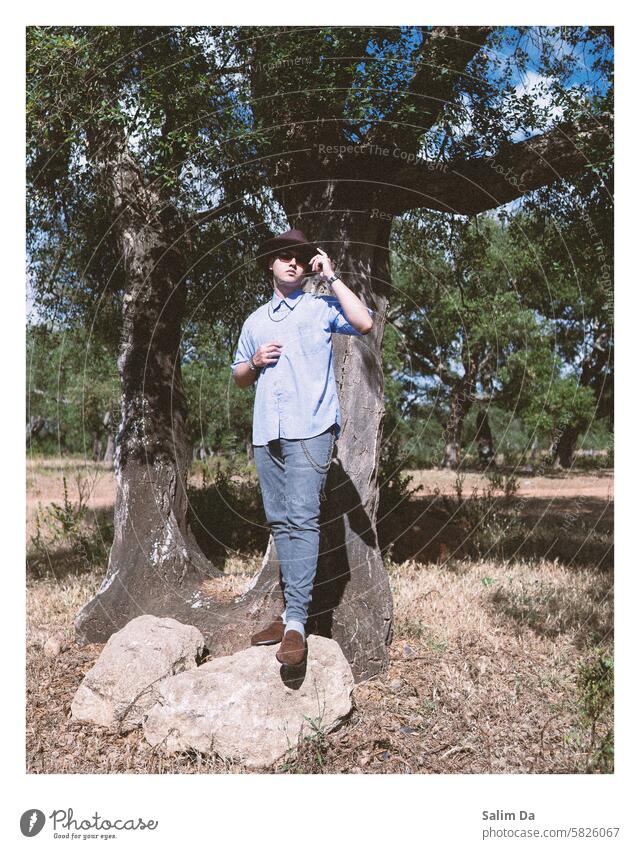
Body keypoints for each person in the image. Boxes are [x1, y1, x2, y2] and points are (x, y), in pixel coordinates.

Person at [231, 228, 373, 668]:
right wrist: (254, 363)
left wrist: (331, 277)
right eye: (282, 257)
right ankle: (288, 613)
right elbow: (237, 373)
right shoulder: (255, 321)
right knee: (280, 522)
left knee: (302, 519)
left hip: (310, 430)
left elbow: (365, 322)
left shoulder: (320, 307)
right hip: (266, 433)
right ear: (270, 265)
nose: (291, 262)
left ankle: (296, 624)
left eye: (298, 256)